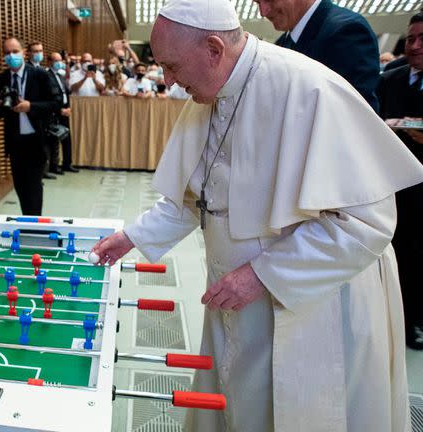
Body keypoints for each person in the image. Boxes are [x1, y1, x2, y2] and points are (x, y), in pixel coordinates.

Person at [91, 0, 421, 430]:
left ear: (213, 49)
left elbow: (366, 223)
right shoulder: (212, 89)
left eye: (172, 67)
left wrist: (262, 275)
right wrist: (132, 237)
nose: (169, 82)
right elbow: (198, 196)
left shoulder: (308, 88)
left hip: (311, 304)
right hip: (235, 300)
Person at [376, 10, 423, 350]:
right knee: (394, 251)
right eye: (411, 38)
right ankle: (392, 319)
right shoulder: (391, 77)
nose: (415, 46)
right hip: (392, 186)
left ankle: (416, 320)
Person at [255, 0, 380, 110]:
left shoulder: (347, 32)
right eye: (257, 2)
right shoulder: (284, 42)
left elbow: (355, 117)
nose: (263, 12)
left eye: (269, 0)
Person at [0, 38, 57, 215]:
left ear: (23, 52)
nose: (11, 56)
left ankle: (34, 223)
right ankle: (26, 219)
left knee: (34, 186)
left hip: (36, 140)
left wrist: (31, 106)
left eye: (14, 51)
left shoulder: (39, 75)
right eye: (7, 53)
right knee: (20, 185)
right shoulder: (3, 77)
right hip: (15, 142)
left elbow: (55, 103)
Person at [27, 41, 57, 180]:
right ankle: (36, 175)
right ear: (29, 53)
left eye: (40, 51)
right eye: (35, 51)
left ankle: (42, 172)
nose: (38, 54)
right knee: (33, 148)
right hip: (31, 113)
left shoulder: (44, 70)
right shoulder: (27, 69)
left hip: (43, 113)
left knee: (44, 146)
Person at [48, 52, 78, 173]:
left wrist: (68, 108)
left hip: (65, 110)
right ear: (50, 62)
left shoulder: (61, 76)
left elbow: (67, 93)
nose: (59, 63)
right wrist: (59, 110)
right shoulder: (47, 76)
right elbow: (48, 96)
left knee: (67, 138)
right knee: (54, 140)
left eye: (60, 60)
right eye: (56, 60)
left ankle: (67, 164)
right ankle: (53, 166)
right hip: (55, 111)